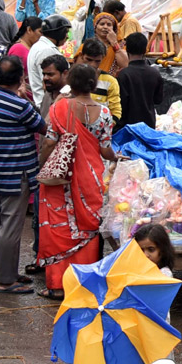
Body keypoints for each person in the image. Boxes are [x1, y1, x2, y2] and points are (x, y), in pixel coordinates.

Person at [37, 62, 118, 298]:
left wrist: (43, 165)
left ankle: (57, 285)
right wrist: (116, 157)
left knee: (58, 225)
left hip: (61, 176)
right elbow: (105, 149)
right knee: (88, 226)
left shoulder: (59, 107)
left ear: (70, 83)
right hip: (90, 176)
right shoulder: (104, 113)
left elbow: (50, 141)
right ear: (93, 85)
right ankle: (84, 285)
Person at [0, 55, 47, 295]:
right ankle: (4, 281)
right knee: (10, 227)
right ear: (19, 78)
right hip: (17, 174)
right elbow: (42, 126)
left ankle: (4, 272)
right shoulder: (20, 105)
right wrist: (25, 96)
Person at [115, 224, 178, 364]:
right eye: (140, 250)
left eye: (150, 250)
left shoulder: (162, 275)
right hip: (138, 339)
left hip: (156, 342)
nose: (146, 255)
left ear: (162, 251)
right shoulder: (135, 274)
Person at [117, 33, 164, 128]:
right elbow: (158, 100)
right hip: (148, 126)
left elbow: (121, 104)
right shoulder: (155, 73)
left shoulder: (123, 75)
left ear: (127, 50)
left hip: (128, 127)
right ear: (145, 50)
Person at [75, 39, 121, 123]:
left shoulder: (110, 81)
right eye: (89, 60)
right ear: (81, 56)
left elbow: (116, 113)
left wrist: (102, 129)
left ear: (103, 58)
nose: (92, 65)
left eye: (97, 61)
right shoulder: (74, 78)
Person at [28, 15, 69, 104]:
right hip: (49, 104)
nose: (67, 36)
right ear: (59, 33)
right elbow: (48, 84)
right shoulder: (46, 50)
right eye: (66, 32)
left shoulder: (41, 46)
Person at [38, 53, 69, 122]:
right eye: (44, 74)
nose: (45, 78)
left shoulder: (70, 97)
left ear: (65, 73)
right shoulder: (49, 92)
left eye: (50, 74)